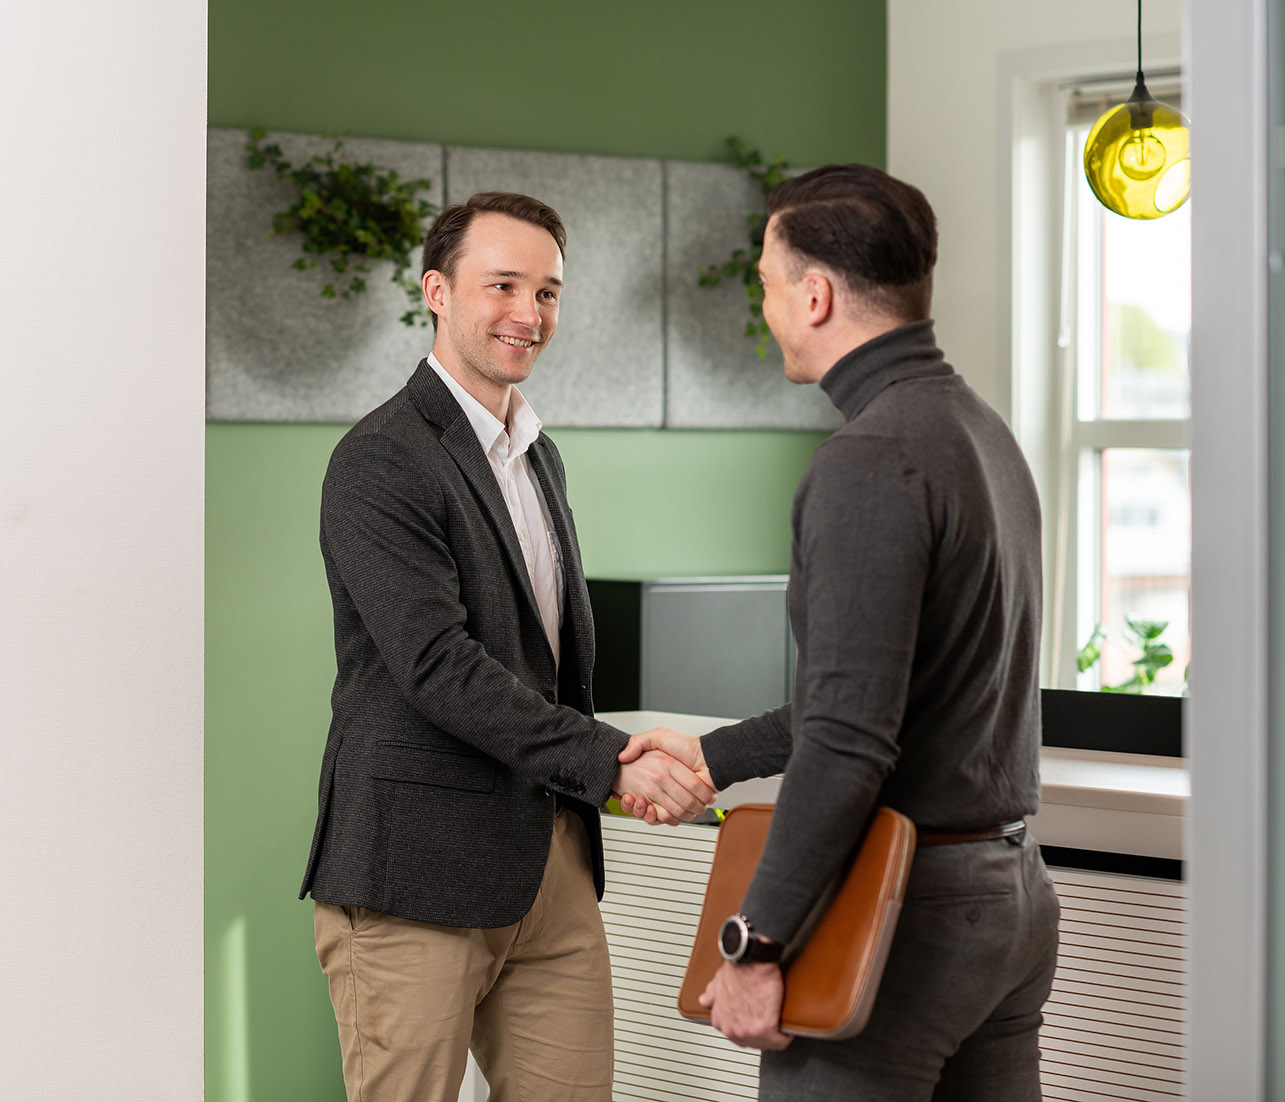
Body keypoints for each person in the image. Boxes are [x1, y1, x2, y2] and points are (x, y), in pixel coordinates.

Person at [623, 164, 1060, 1100]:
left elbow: (851, 736)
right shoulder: (979, 434)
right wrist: (717, 755)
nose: (769, 309)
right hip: (1008, 898)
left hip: (904, 918)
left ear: (814, 295)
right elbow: (891, 691)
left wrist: (758, 939)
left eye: (769, 286)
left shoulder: (867, 461)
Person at [300, 190, 715, 1102]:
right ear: (437, 292)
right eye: (503, 286)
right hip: (415, 873)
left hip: (549, 864)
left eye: (549, 292)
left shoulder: (535, 454)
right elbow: (437, 666)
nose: (528, 314)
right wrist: (611, 761)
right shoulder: (379, 459)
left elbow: (545, 660)